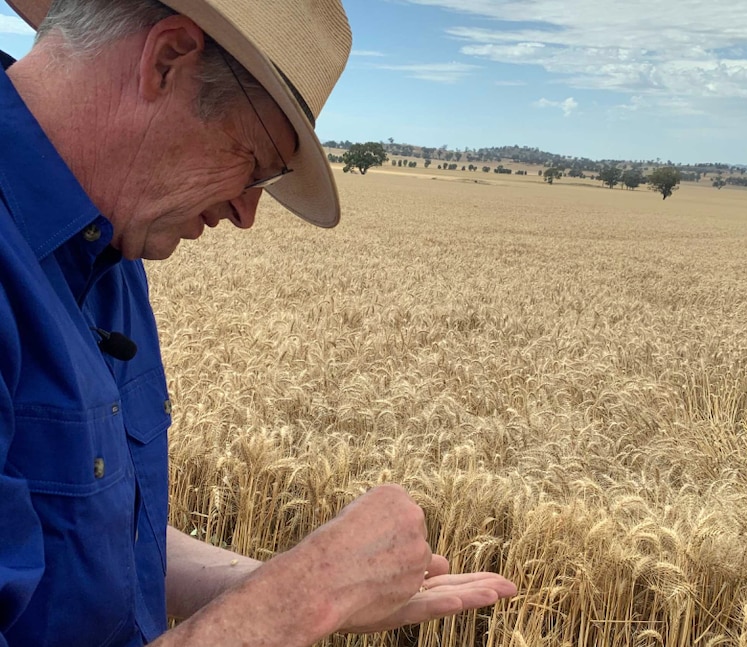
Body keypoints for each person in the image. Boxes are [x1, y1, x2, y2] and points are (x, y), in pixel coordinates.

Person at [0, 1, 517, 645]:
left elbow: (93, 528)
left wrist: (284, 583)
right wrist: (304, 596)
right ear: (166, 61)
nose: (246, 213)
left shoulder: (110, 242)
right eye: (255, 160)